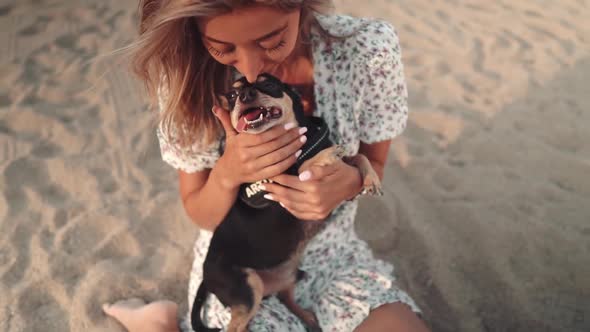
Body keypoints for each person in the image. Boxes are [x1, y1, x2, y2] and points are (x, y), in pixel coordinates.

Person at [102, 1, 430, 331]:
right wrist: (228, 173)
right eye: (223, 49)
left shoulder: (366, 49)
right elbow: (201, 213)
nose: (250, 70)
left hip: (333, 256)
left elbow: (374, 163)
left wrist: (351, 181)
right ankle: (159, 324)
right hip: (243, 265)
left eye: (272, 41)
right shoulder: (191, 77)